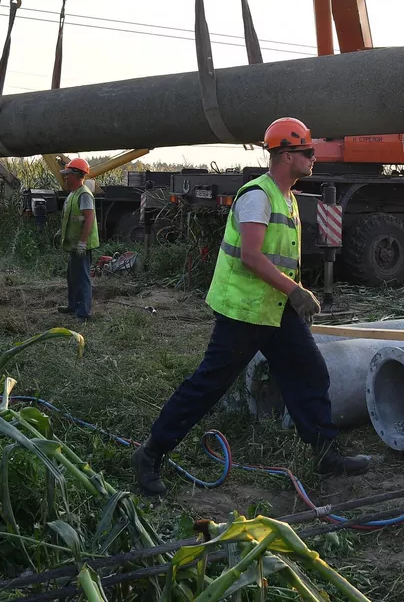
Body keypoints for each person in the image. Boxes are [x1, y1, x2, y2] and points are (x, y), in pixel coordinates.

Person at [132, 117, 370, 496]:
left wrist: (294, 292)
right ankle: (150, 453)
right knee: (208, 386)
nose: (313, 157)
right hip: (244, 311)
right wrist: (296, 291)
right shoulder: (257, 196)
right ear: (286, 155)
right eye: (307, 151)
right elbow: (251, 257)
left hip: (275, 309)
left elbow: (279, 257)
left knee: (311, 373)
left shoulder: (287, 196)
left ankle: (327, 453)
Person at [56, 157, 99, 320]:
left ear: (75, 175)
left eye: (67, 174)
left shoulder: (84, 195)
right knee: (73, 276)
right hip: (74, 245)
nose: (65, 177)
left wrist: (82, 243)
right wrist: (61, 231)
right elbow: (71, 217)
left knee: (82, 278)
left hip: (82, 245)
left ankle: (84, 312)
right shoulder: (73, 194)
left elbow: (89, 218)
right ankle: (73, 305)